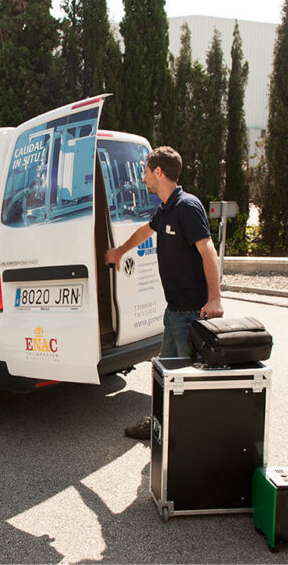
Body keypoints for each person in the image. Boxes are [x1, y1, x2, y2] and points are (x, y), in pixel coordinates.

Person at [104, 147, 223, 439]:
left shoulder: (187, 206)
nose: (143, 179)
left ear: (159, 172)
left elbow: (207, 249)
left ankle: (197, 441)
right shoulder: (166, 208)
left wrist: (215, 298)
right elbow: (146, 230)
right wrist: (120, 251)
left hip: (192, 313)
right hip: (174, 313)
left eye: (146, 172)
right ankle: (159, 424)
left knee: (192, 381)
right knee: (164, 375)